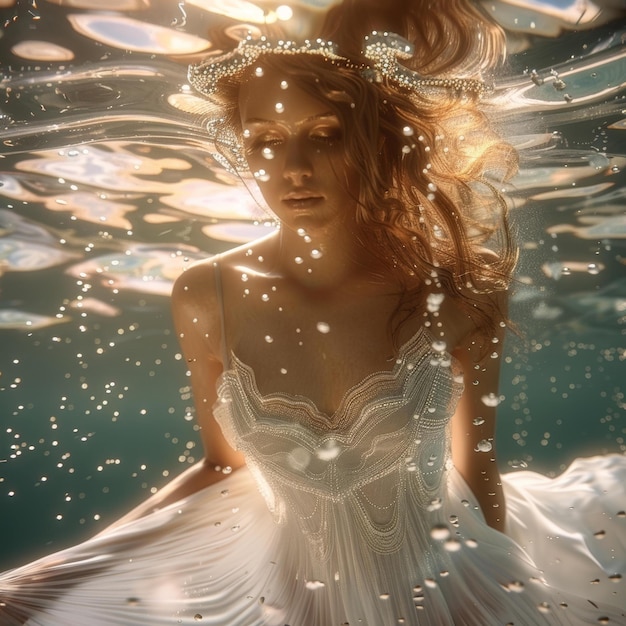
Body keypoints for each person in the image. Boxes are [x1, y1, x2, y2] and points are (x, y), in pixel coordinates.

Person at [1, 2, 625, 624]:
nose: (292, 167)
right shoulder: (204, 294)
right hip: (280, 597)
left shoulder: (464, 289)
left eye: (324, 134)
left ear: (376, 139)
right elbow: (220, 465)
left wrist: (505, 591)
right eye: (265, 141)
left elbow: (476, 463)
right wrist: (63, 571)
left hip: (444, 584)